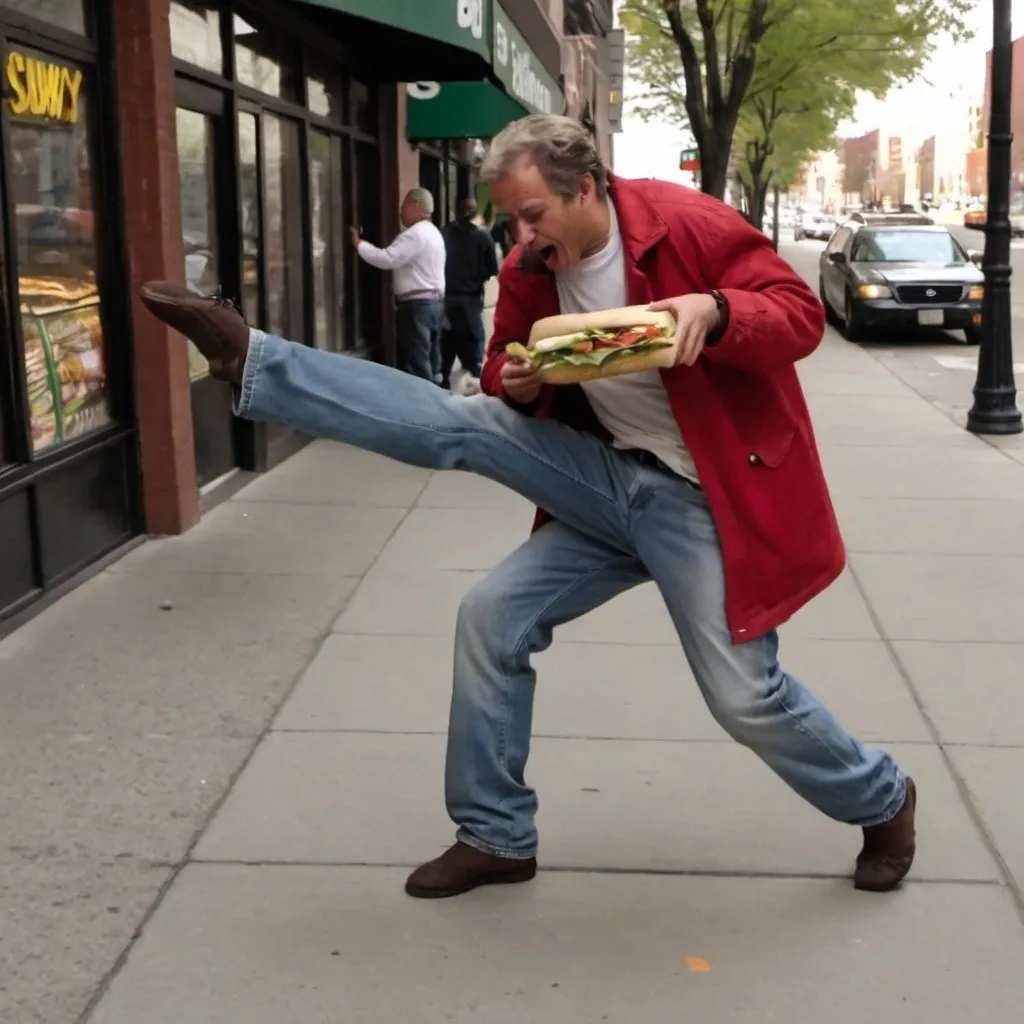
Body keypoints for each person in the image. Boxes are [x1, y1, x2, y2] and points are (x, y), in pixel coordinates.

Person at [140, 114, 916, 902]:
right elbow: (506, 362)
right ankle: (495, 832)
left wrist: (715, 311)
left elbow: (798, 315)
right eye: (511, 218)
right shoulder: (529, 269)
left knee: (745, 699)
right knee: (486, 578)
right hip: (605, 480)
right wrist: (519, 381)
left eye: (533, 214)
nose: (523, 234)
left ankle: (883, 797)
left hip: (704, 502)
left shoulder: (687, 223)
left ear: (585, 187)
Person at [351, 187, 445, 382]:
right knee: (431, 359)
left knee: (417, 360)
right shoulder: (434, 233)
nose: (401, 211)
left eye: (404, 206)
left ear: (417, 207)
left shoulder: (416, 234)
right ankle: (438, 395)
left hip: (417, 307)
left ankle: (425, 404)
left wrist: (359, 244)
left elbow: (387, 258)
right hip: (434, 304)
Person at [439, 197, 499, 392]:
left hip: (447, 297)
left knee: (447, 344)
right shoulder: (483, 236)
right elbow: (492, 269)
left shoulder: (445, 233)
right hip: (470, 299)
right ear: (475, 213)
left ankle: (442, 385)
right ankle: (474, 385)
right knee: (473, 346)